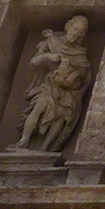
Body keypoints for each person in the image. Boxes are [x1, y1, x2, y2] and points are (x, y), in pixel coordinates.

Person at [17, 15, 93, 153]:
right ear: (68, 25)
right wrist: (48, 56)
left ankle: (45, 148)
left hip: (67, 90)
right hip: (48, 85)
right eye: (75, 28)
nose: (76, 33)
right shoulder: (51, 42)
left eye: (80, 32)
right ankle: (24, 140)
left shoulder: (80, 53)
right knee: (41, 104)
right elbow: (34, 61)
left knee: (65, 113)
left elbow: (84, 69)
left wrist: (74, 75)